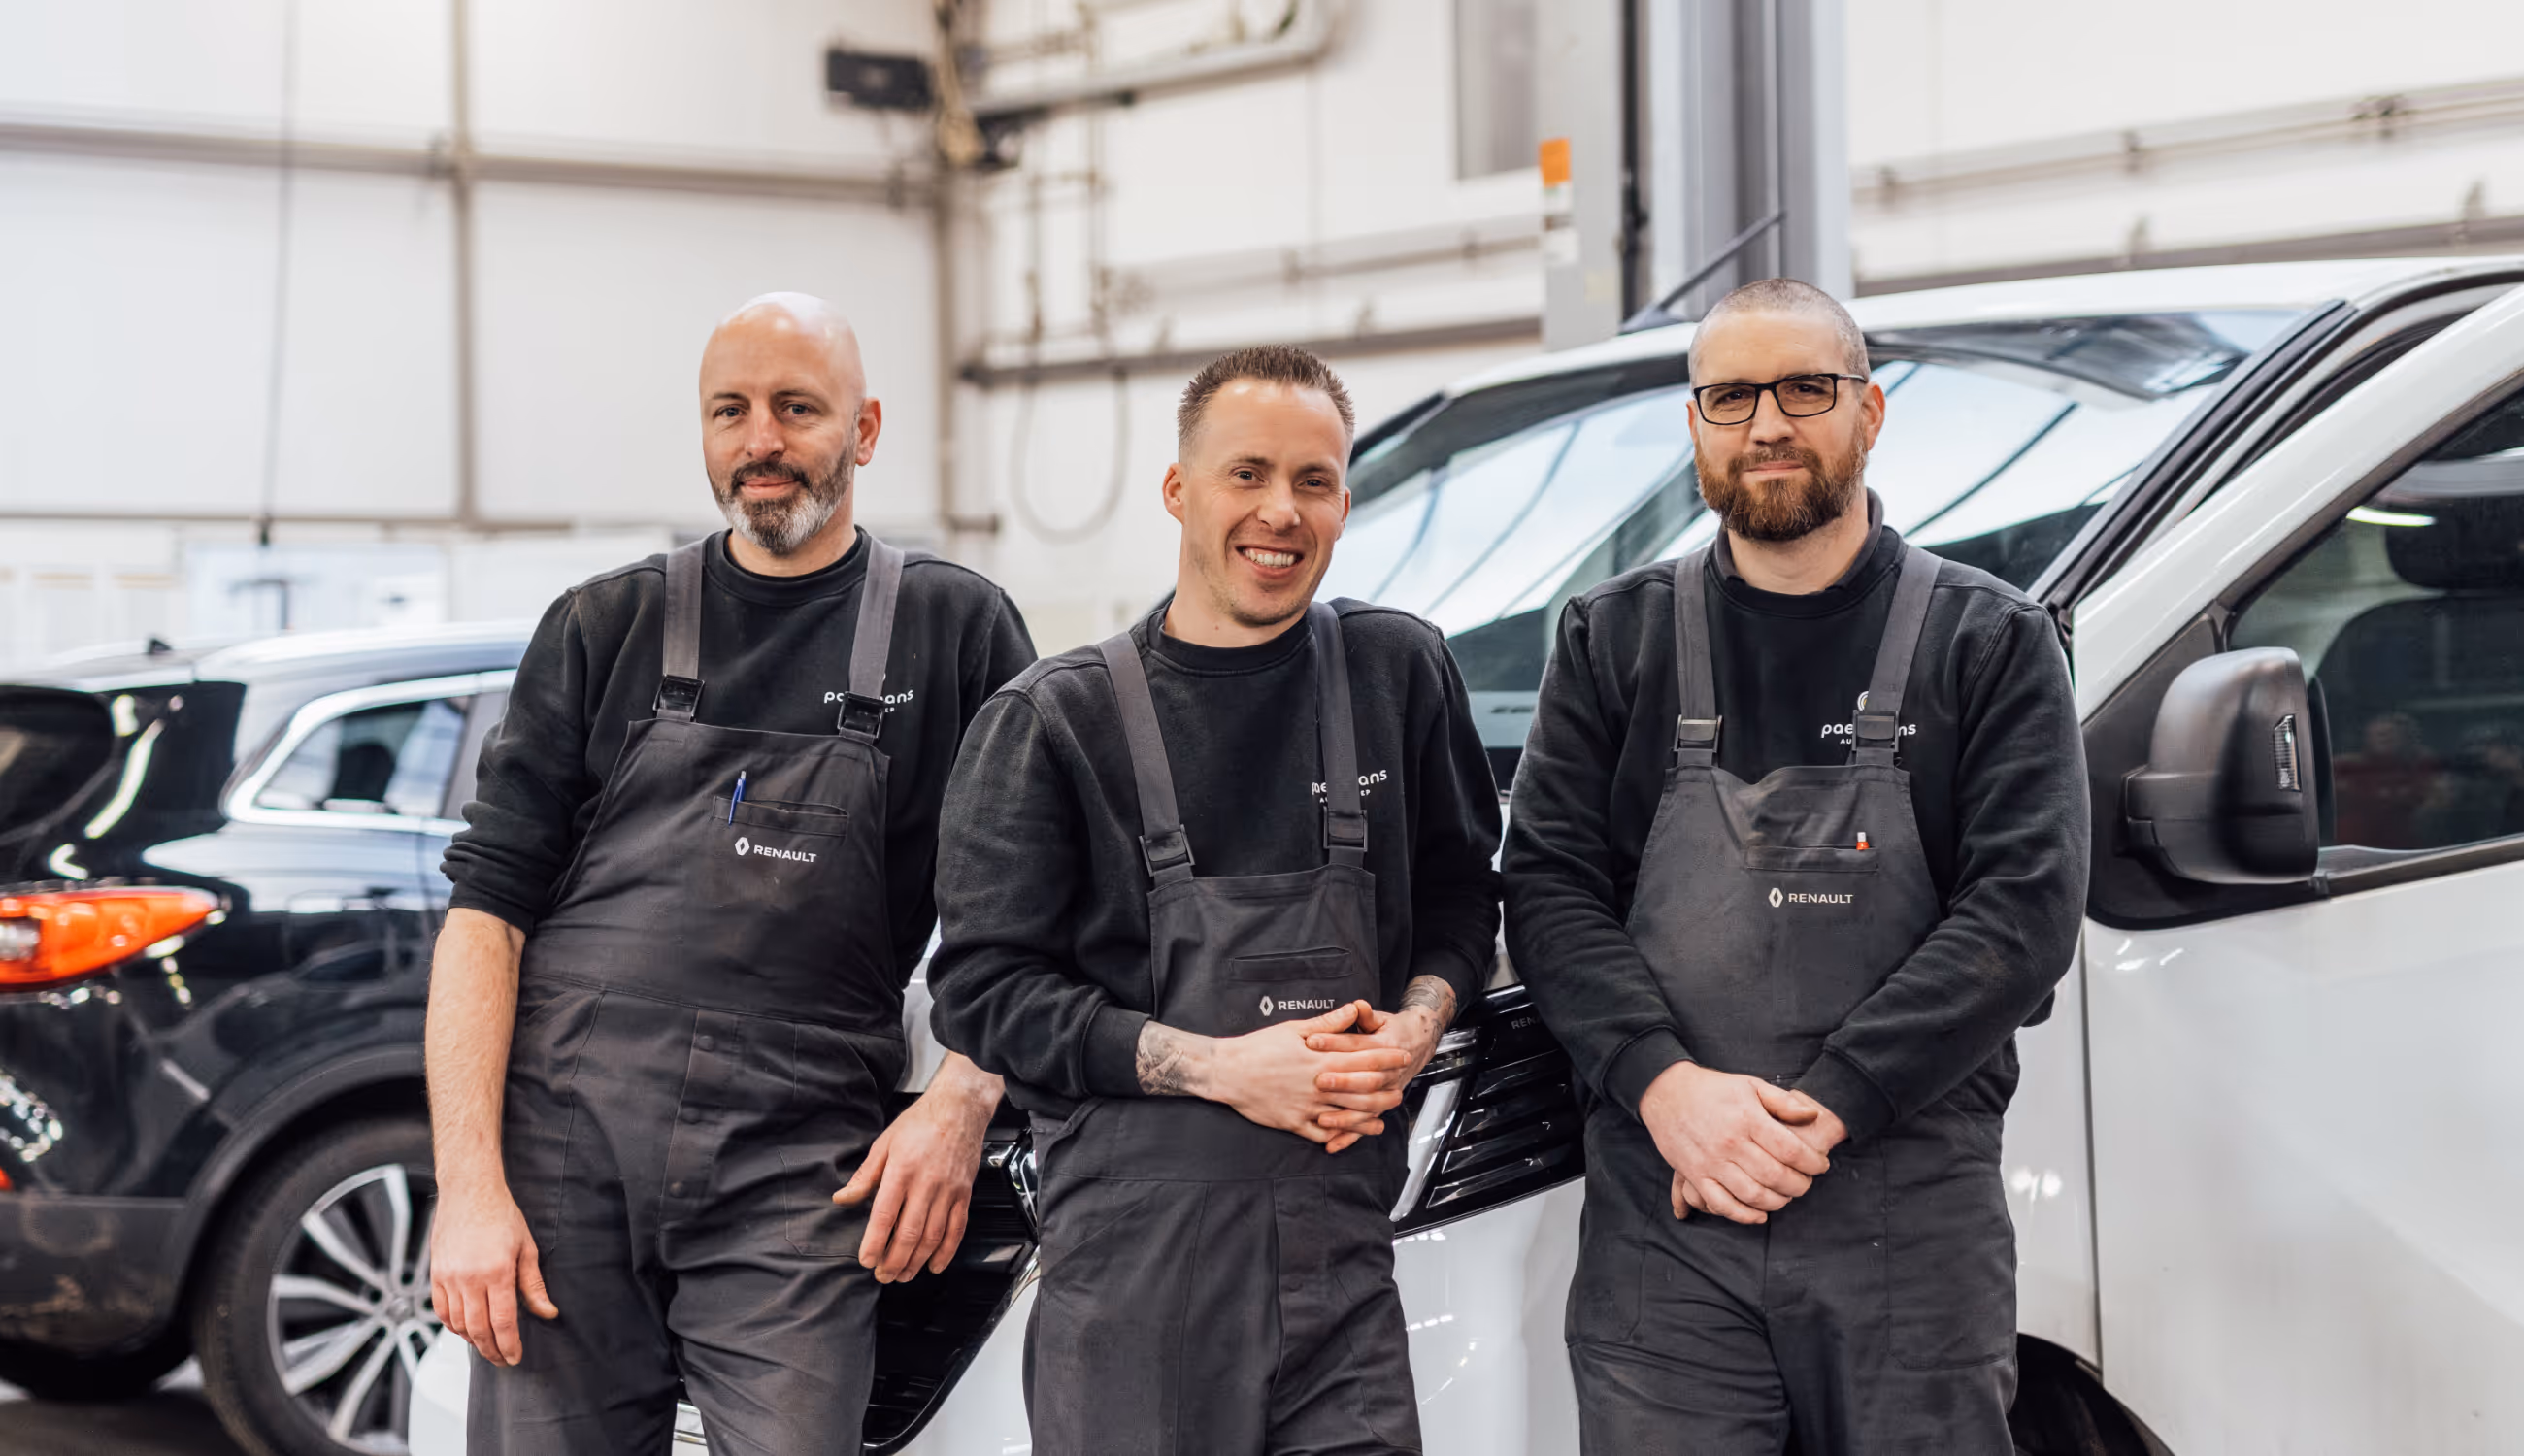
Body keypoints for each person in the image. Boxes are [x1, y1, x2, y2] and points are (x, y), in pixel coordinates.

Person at [425, 293, 1036, 1455]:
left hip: (799, 1163)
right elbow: (485, 921)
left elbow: (1030, 915)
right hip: (566, 1154)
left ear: (862, 430)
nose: (760, 439)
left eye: (796, 408)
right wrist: (467, 1189)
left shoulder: (956, 632)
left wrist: (961, 1102)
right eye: (730, 411)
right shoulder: (604, 626)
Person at [1504, 278, 2090, 1454]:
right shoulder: (1610, 640)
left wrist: (1811, 1116)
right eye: (1727, 396)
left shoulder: (1990, 643)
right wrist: (1667, 1090)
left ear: (1867, 413)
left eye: (1802, 389)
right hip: (1668, 1224)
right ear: (1693, 426)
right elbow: (1548, 887)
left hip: (1902, 1231)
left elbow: (2021, 917)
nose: (1764, 423)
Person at [926, 346, 1503, 1456]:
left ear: (1344, 498)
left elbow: (1457, 900)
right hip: (1137, 1285)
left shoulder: (1398, 674)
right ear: (1178, 490)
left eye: (1313, 481)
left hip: (1342, 1269)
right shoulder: (1053, 721)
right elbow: (983, 997)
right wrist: (1225, 1067)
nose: (1278, 513)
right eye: (1245, 475)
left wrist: (1418, 1028)